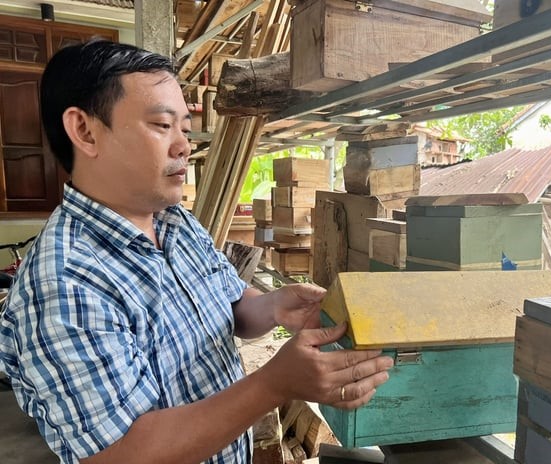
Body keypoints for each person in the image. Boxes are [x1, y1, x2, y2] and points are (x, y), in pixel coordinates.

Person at [0, 40, 393, 464]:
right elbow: (120, 455)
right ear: (85, 131)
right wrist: (274, 384)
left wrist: (276, 306)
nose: (184, 145)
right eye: (161, 125)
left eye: (185, 129)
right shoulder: (64, 283)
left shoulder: (175, 222)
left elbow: (232, 307)